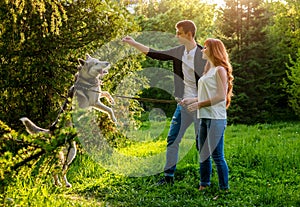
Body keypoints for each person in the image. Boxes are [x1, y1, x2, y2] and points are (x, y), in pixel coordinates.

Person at [122, 20, 207, 185]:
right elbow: (156, 54)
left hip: (198, 106)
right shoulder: (178, 52)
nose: (176, 36)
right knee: (172, 140)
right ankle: (168, 177)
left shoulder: (203, 54)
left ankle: (205, 182)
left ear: (189, 34)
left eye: (179, 33)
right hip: (182, 106)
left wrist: (201, 101)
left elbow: (213, 80)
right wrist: (133, 43)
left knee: (201, 143)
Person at [182, 38, 233, 191]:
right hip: (204, 116)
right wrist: (190, 100)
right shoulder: (208, 69)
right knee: (203, 153)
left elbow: (220, 96)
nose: (202, 50)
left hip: (216, 118)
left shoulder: (220, 70)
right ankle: (204, 184)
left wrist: (198, 104)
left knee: (217, 156)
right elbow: (205, 95)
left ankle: (224, 189)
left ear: (213, 50)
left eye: (205, 48)